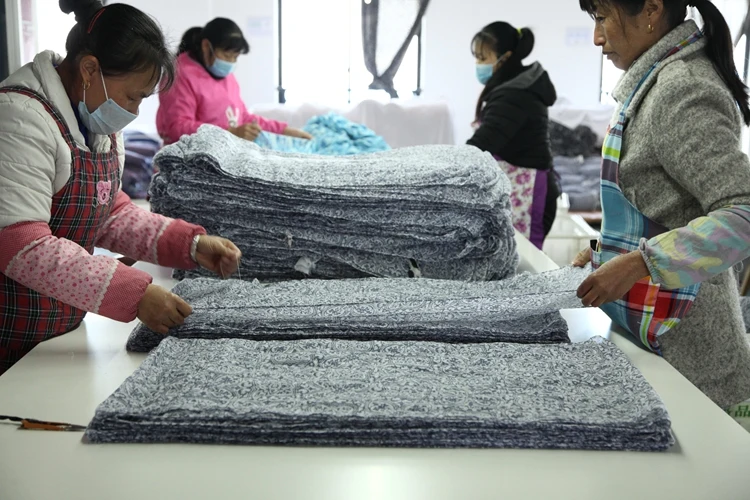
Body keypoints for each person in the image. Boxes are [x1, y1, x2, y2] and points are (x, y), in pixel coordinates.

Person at [0, 0, 242, 375]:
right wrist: (133, 293)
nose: (133, 111)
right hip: (9, 335)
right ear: (89, 70)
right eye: (132, 97)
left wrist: (190, 245)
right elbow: (20, 244)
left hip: (55, 335)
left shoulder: (98, 124)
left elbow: (108, 213)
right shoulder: (19, 118)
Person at [573, 0, 750, 421]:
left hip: (693, 357)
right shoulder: (649, 85)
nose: (597, 37)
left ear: (651, 10)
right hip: (653, 333)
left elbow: (743, 213)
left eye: (602, 18)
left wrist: (640, 263)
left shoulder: (682, 90)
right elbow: (662, 206)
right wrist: (608, 252)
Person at [467, 22, 559, 249]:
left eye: (482, 58)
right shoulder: (514, 87)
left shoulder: (515, 95)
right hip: (521, 185)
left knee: (522, 261)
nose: (478, 65)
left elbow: (482, 144)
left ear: (505, 57)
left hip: (529, 192)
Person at [156, 19, 312, 145]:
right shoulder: (180, 73)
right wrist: (230, 132)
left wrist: (284, 131)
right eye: (226, 55)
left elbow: (243, 118)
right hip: (186, 161)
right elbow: (177, 127)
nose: (230, 62)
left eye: (235, 57)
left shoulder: (227, 77)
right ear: (206, 46)